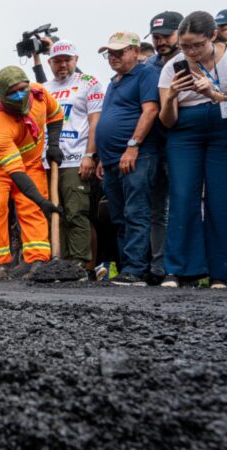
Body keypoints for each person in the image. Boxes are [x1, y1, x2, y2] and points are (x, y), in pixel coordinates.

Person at [158, 11, 227, 290]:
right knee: (183, 195)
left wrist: (214, 94)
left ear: (212, 36)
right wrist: (172, 96)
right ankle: (178, 270)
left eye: (197, 45)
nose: (191, 52)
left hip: (222, 131)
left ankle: (220, 273)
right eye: (185, 46)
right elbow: (166, 120)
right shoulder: (172, 66)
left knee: (220, 199)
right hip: (184, 133)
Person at [0, 66, 63, 281]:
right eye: (13, 92)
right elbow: (16, 174)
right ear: (2, 95)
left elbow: (56, 116)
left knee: (32, 208)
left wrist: (53, 145)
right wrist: (42, 201)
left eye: (23, 89)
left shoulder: (39, 94)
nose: (20, 95)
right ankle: (0, 265)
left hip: (31, 162)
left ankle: (38, 260)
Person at [95, 31, 161, 286]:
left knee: (136, 212)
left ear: (135, 50)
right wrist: (102, 156)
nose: (113, 57)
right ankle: (127, 268)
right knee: (119, 216)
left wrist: (132, 146)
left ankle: (137, 268)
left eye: (119, 52)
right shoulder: (115, 81)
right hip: (112, 160)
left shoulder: (145, 74)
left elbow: (151, 109)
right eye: (109, 53)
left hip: (137, 156)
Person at [37, 40, 103, 271]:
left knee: (76, 212)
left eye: (67, 59)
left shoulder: (88, 83)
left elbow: (96, 121)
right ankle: (61, 263)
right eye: (57, 60)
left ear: (76, 60)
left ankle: (81, 265)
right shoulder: (43, 88)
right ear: (50, 63)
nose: (62, 64)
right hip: (48, 161)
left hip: (76, 158)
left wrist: (90, 155)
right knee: (55, 214)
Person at [145, 11, 183, 283]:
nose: (160, 42)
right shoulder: (149, 68)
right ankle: (160, 268)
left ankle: (187, 267)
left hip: (185, 144)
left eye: (166, 36)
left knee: (185, 206)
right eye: (156, 37)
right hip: (155, 148)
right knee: (158, 210)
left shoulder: (193, 62)